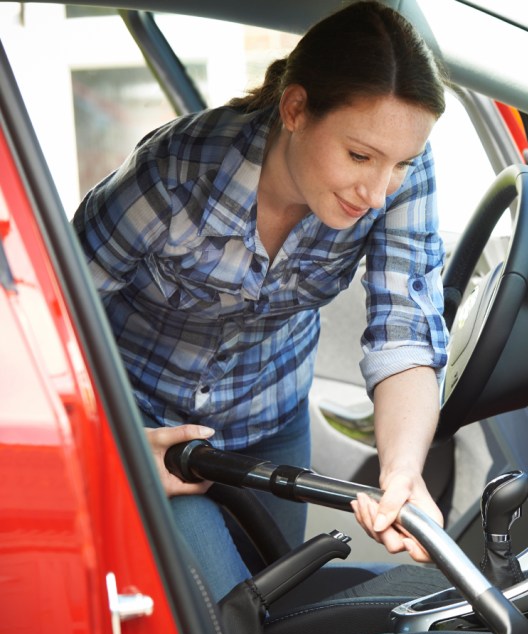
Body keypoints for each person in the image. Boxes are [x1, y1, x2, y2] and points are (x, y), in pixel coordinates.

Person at [73, 0, 450, 600]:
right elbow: (54, 320)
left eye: (398, 165)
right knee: (225, 621)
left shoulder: (403, 169)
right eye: (359, 156)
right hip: (146, 419)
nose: (378, 193)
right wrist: (109, 441)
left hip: (270, 413)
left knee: (274, 609)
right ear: (295, 108)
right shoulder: (172, 175)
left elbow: (404, 329)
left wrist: (402, 473)